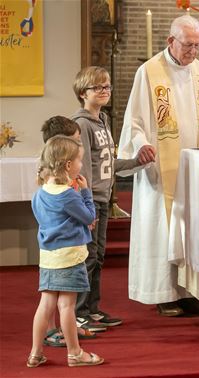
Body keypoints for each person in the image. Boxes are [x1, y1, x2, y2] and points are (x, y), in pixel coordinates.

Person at [118, 14, 199, 317]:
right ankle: (163, 293)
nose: (192, 52)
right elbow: (135, 122)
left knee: (189, 229)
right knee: (162, 227)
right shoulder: (149, 72)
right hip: (160, 166)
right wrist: (140, 144)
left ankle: (189, 292)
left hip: (191, 167)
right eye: (187, 45)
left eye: (197, 46)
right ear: (171, 41)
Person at [71, 66, 147, 331]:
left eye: (107, 87)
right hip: (90, 200)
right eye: (97, 87)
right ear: (83, 93)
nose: (104, 91)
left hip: (102, 198)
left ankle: (92, 308)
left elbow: (108, 162)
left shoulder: (102, 120)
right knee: (88, 257)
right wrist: (86, 204)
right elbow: (84, 168)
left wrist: (137, 161)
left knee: (98, 256)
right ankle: (79, 311)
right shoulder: (82, 124)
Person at [28, 135, 104, 368]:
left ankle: (35, 353)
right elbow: (90, 217)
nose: (82, 165)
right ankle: (75, 353)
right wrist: (86, 193)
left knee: (46, 304)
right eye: (80, 160)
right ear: (69, 165)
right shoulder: (69, 194)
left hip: (49, 256)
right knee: (67, 306)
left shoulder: (39, 193)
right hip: (70, 256)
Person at [39, 116, 98, 347]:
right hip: (65, 244)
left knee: (52, 296)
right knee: (59, 298)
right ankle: (57, 331)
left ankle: (65, 328)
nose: (78, 147)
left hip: (54, 243)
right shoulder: (51, 176)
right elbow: (68, 207)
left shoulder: (59, 176)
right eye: (74, 142)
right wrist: (85, 210)